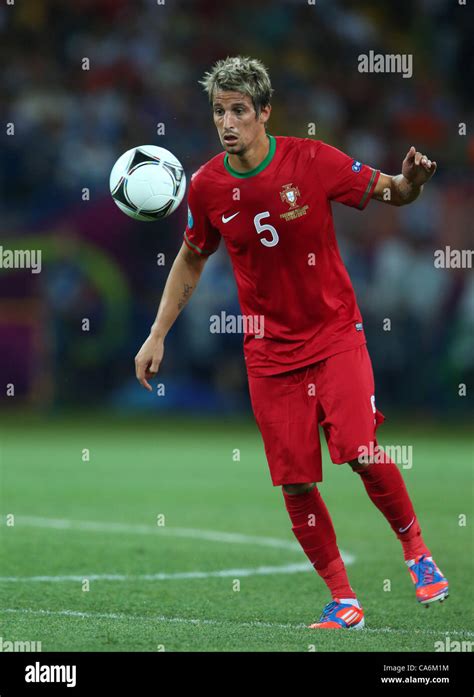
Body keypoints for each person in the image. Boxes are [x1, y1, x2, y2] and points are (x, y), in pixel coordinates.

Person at [135, 56, 448, 629]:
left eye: (238, 111)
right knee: (297, 480)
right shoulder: (205, 187)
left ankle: (418, 555)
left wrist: (412, 182)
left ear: (264, 113)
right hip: (269, 352)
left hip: (334, 333)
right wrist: (157, 333)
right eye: (218, 112)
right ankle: (343, 599)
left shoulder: (313, 159)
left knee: (358, 448)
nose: (227, 123)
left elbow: (392, 192)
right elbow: (190, 258)